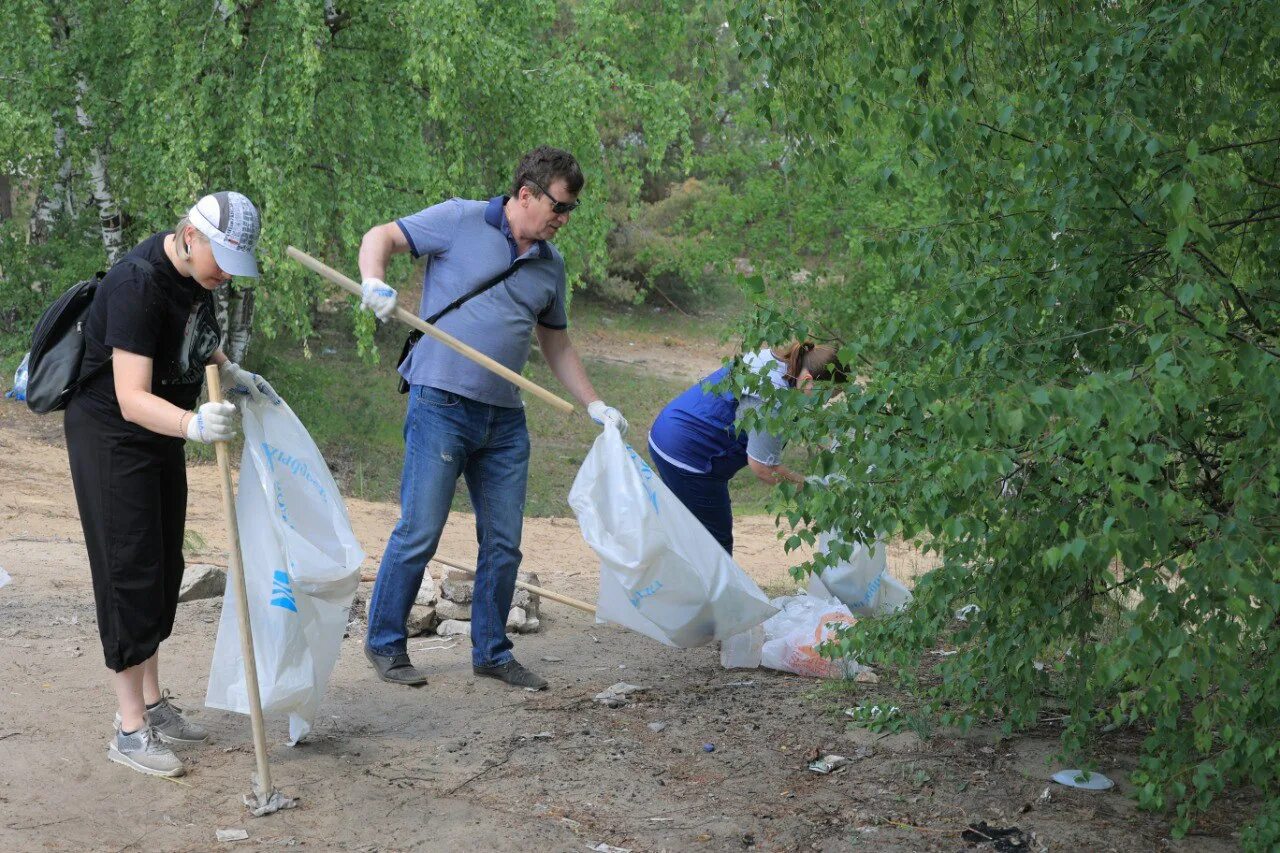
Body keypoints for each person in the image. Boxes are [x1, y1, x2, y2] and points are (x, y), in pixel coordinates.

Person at [356, 146, 625, 690]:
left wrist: (596, 403)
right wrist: (374, 281)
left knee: (503, 542)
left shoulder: (550, 266)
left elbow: (558, 346)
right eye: (559, 206)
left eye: (571, 210)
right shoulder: (458, 218)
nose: (564, 218)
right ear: (525, 193)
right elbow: (379, 237)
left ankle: (492, 651)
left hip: (504, 423)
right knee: (420, 530)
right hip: (441, 405)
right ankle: (385, 643)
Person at [66, 191, 280, 778]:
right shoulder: (138, 283)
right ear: (190, 236)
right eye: (222, 261)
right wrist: (193, 423)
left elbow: (196, 338)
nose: (224, 276)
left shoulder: (195, 279)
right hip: (114, 437)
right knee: (128, 569)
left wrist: (231, 373)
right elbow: (132, 397)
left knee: (164, 567)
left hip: (160, 434)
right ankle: (129, 727)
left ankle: (154, 705)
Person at [647, 342, 847, 555]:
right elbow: (763, 468)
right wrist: (818, 489)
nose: (823, 404)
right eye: (827, 396)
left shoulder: (780, 364)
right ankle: (701, 586)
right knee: (715, 548)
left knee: (692, 532)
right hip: (689, 454)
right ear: (808, 380)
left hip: (671, 429)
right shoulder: (773, 400)